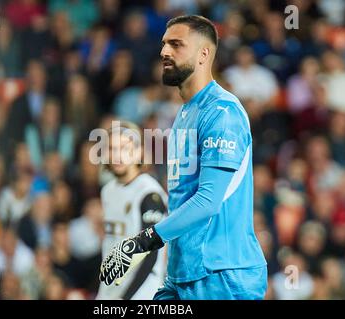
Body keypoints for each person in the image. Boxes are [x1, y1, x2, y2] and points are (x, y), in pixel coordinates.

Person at [99, 15, 267, 300]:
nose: (164, 52)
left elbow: (207, 201)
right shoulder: (184, 115)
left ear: (204, 54)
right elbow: (180, 200)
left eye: (176, 45)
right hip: (183, 274)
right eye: (164, 44)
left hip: (222, 275)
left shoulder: (223, 112)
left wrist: (144, 240)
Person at [96, 121, 167, 300]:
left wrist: (125, 298)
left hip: (143, 291)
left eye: (125, 148)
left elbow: (151, 254)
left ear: (139, 152)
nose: (118, 155)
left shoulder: (148, 193)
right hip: (110, 289)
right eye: (112, 148)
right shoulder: (108, 191)